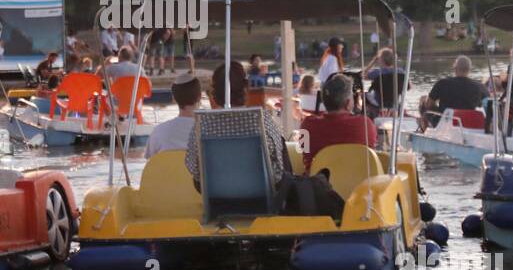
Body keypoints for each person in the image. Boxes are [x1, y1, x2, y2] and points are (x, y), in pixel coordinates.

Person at [184, 61, 288, 192]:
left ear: (214, 94)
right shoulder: (261, 119)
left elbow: (193, 166)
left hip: (217, 196)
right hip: (260, 193)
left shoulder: (203, 124)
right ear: (245, 89)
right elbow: (278, 162)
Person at [300, 74, 377, 171]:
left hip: (317, 183)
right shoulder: (365, 125)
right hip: (357, 184)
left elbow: (304, 155)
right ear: (348, 103)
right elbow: (370, 154)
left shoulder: (307, 125)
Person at [145, 73, 201, 157]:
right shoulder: (208, 130)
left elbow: (150, 163)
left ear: (174, 98)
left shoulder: (158, 131)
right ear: (199, 97)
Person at [419, 56, 486, 126]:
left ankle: (425, 130)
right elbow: (483, 105)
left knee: (423, 101)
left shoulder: (442, 83)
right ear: (469, 69)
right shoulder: (479, 87)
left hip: (445, 122)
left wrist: (438, 109)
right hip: (468, 123)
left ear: (455, 68)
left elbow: (429, 105)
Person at [363, 48, 402, 112]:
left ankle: (368, 113)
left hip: (379, 102)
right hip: (394, 103)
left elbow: (362, 75)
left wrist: (373, 62)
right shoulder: (401, 72)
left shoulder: (377, 72)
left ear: (381, 60)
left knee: (363, 94)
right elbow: (409, 86)